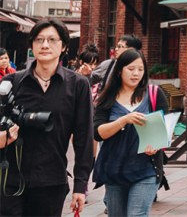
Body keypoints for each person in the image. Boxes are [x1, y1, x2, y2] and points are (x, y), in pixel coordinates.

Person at [0, 18, 93, 217]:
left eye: (52, 40)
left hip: (51, 182)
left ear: (64, 46)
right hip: (10, 182)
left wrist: (80, 185)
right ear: (32, 45)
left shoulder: (78, 85)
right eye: (39, 39)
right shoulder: (12, 83)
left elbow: (84, 137)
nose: (45, 45)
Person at [92, 48, 169, 217]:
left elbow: (164, 129)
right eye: (131, 69)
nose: (136, 74)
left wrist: (156, 146)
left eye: (140, 69)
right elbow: (98, 133)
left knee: (137, 214)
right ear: (120, 71)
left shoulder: (155, 94)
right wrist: (123, 120)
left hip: (146, 168)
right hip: (114, 169)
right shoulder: (107, 97)